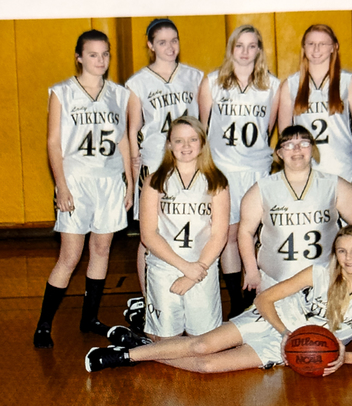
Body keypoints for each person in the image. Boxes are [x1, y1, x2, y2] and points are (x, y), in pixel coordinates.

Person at [85, 225, 352, 373]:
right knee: (200, 345)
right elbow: (265, 299)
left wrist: (344, 357)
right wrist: (285, 330)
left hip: (287, 347)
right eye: (342, 251)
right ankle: (124, 356)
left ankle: (137, 343)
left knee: (207, 366)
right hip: (272, 320)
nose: (348, 258)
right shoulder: (318, 273)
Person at [33, 29, 132, 348]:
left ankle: (89, 317)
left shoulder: (119, 94)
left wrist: (129, 183)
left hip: (109, 180)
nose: (100, 60)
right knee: (70, 256)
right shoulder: (62, 92)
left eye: (105, 54)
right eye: (93, 54)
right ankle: (44, 324)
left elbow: (123, 140)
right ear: (79, 57)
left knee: (101, 250)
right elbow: (53, 142)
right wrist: (60, 185)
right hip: (76, 180)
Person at [125, 18, 203, 327]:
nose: (169, 47)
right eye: (162, 42)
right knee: (149, 237)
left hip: (189, 166)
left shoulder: (196, 77)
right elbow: (132, 132)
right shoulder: (137, 83)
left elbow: (205, 123)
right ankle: (148, 303)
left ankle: (191, 296)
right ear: (150, 45)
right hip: (156, 166)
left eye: (174, 40)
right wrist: (134, 173)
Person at [198, 25, 280, 316]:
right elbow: (202, 130)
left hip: (257, 170)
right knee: (229, 235)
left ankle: (259, 293)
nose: (245, 52)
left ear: (259, 50)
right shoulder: (212, 83)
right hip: (225, 170)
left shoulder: (273, 86)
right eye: (240, 46)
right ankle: (237, 303)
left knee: (260, 234)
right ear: (231, 49)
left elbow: (269, 130)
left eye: (252, 46)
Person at [237, 125, 352, 298]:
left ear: (312, 149)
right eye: (289, 144)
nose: (297, 149)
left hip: (326, 281)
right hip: (275, 283)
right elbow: (245, 232)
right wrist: (252, 272)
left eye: (304, 143)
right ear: (279, 153)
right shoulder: (261, 190)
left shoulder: (337, 186)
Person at [131, 115, 230, 341]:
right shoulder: (154, 181)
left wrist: (196, 270)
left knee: (204, 343)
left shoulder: (216, 182)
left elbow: (219, 234)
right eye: (178, 141)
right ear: (169, 145)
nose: (186, 146)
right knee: (165, 342)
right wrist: (185, 267)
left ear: (203, 143)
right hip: (165, 266)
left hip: (202, 267)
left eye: (192, 140)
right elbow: (148, 235)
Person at [278, 24, 352, 186]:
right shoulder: (291, 84)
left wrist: (346, 146)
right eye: (311, 43)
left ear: (334, 47)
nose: (316, 48)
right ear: (304, 47)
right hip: (306, 169)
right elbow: (285, 132)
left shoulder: (348, 81)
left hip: (342, 167)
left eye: (322, 43)